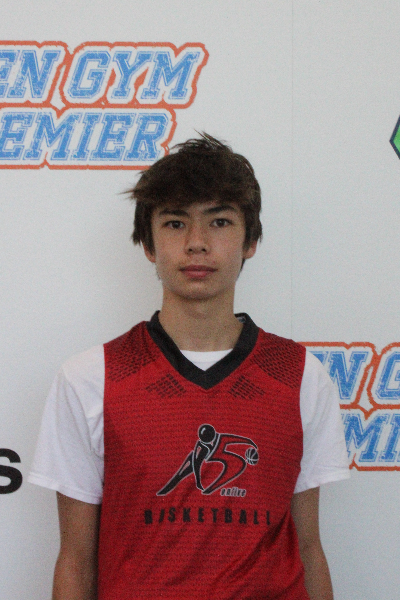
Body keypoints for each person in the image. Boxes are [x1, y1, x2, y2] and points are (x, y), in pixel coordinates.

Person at [29, 133, 349, 600]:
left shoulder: (300, 375)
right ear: (149, 244)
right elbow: (76, 561)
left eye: (219, 221)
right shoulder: (90, 378)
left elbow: (309, 548)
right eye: (175, 223)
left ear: (250, 240)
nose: (197, 243)